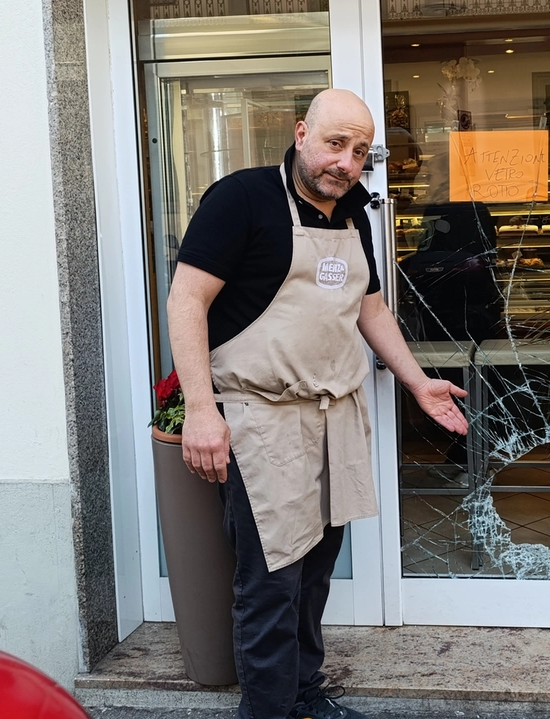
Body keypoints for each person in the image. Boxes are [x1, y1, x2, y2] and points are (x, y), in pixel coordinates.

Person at [166, 88, 469, 719]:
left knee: (313, 576)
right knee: (272, 581)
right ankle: (269, 711)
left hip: (334, 418)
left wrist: (416, 381)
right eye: (336, 144)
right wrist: (201, 408)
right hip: (262, 421)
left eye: (360, 152)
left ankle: (303, 695)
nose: (347, 163)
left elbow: (369, 307)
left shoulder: (352, 214)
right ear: (302, 133)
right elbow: (186, 300)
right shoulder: (241, 199)